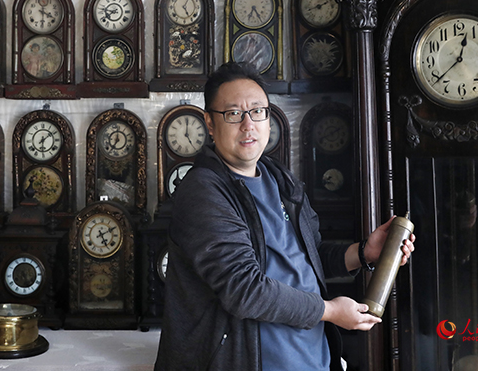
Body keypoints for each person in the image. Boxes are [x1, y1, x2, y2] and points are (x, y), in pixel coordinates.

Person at [154, 62, 415, 371]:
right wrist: (329, 310)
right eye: (233, 113)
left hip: (312, 357)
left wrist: (362, 253)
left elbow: (308, 257)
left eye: (257, 111)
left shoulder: (279, 179)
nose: (248, 125)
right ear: (210, 123)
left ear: (269, 117)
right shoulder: (203, 191)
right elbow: (244, 290)